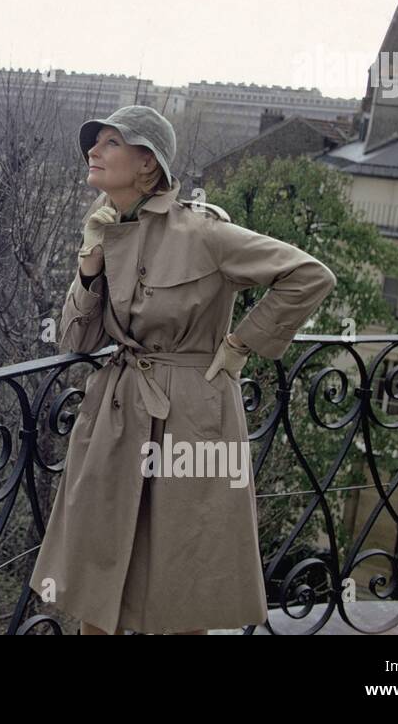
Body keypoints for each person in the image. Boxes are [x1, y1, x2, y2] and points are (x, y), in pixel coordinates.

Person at [27, 105, 337, 635]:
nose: (93, 153)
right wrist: (90, 263)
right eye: (92, 144)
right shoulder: (108, 232)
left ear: (147, 164)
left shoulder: (204, 232)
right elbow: (77, 339)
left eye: (109, 143)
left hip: (192, 418)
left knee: (182, 580)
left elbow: (309, 276)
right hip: (118, 417)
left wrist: (242, 344)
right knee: (98, 578)